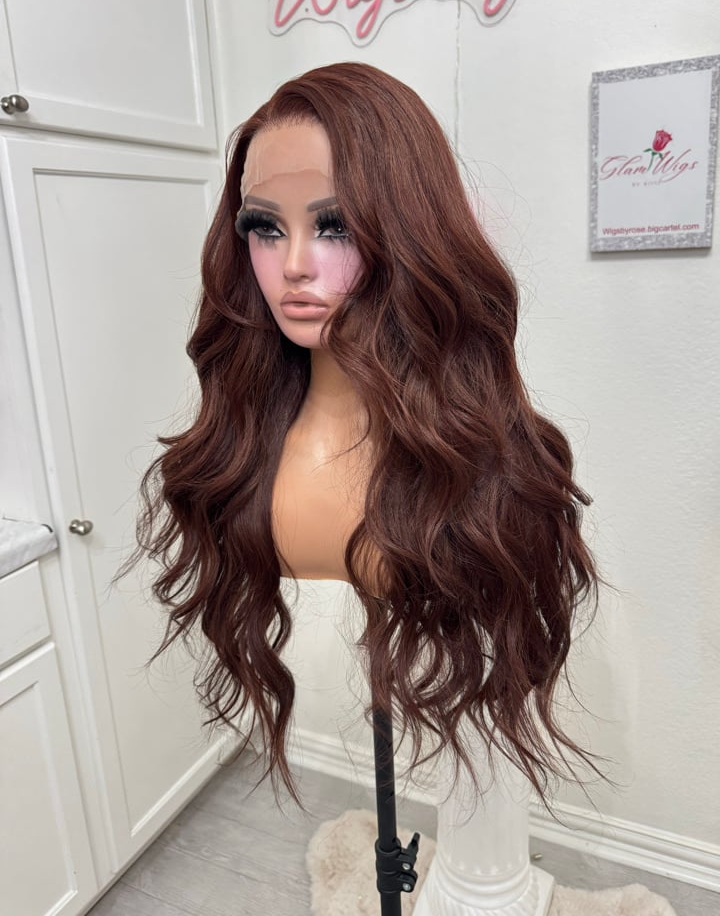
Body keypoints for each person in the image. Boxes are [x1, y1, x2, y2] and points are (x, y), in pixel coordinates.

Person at [133, 62, 600, 811]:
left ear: (410, 229)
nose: (293, 266)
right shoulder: (242, 453)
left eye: (335, 226)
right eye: (264, 227)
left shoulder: (483, 465)